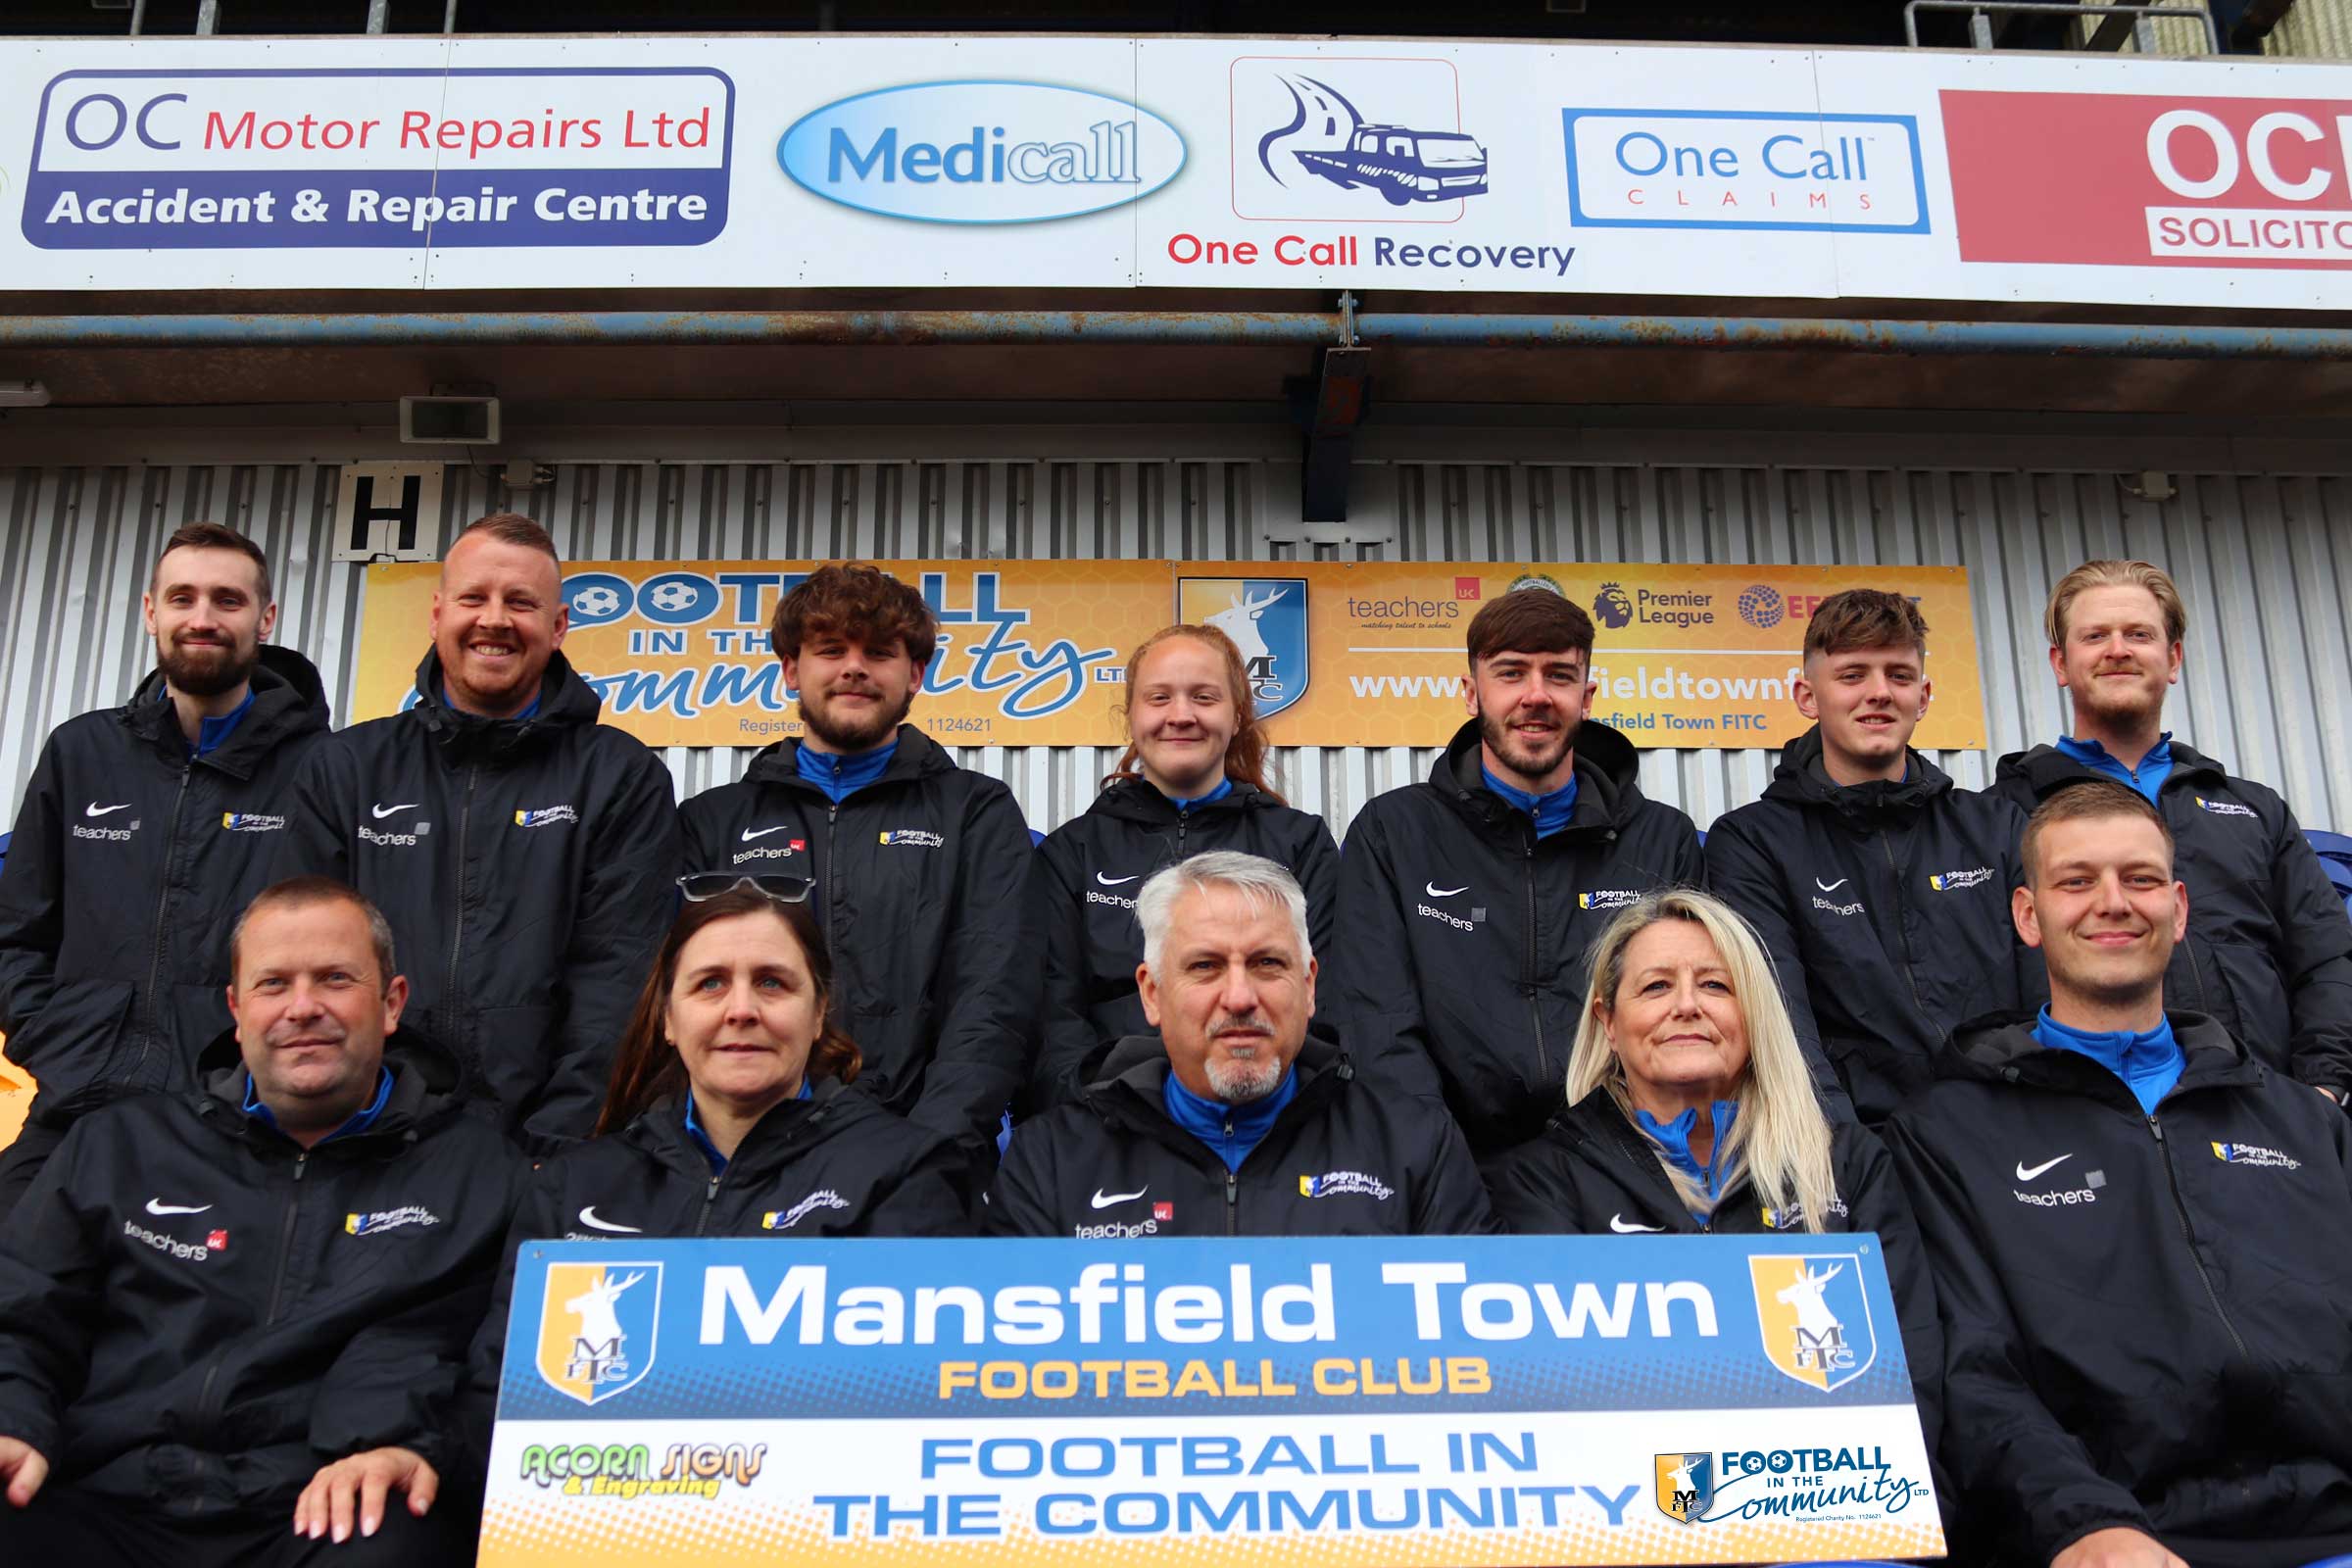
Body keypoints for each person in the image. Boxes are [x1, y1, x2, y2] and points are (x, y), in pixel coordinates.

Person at [1886, 782, 2352, 1568]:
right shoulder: (1945, 1136)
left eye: (2138, 880)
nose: (2113, 903)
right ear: (2028, 917)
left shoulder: (2305, 1123)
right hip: (2114, 1541)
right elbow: (1972, 1375)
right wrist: (2084, 1524)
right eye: (2077, 881)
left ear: (2179, 907)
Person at [0, 877, 519, 1561]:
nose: (303, 1008)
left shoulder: (482, 1173)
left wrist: (423, 1450)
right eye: (274, 984)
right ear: (236, 1008)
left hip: (319, 1510)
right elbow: (23, 1313)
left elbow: (501, 1368)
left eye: (335, 979)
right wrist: (13, 1422)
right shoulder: (117, 1146)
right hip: (104, 1495)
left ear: (392, 1003)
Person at [1480, 888, 1943, 1450]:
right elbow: (1561, 1403)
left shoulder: (1846, 1166)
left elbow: (1914, 1379)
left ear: (1752, 1011)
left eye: (1715, 985)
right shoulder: (1542, 1184)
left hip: (1841, 1512)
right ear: (1608, 1021)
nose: (1686, 1006)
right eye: (1655, 987)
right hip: (1646, 1516)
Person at [277, 513, 682, 1152]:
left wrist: (560, 1147)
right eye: (475, 598)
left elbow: (619, 989)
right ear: (438, 615)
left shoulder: (620, 778)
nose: (494, 619)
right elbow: (305, 969)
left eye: (520, 602)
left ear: (557, 628)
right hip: (367, 1145)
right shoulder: (345, 770)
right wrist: (346, 1128)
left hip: (548, 1154)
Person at [0, 522, 330, 1212]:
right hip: (76, 1102)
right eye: (182, 598)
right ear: (151, 610)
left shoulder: (321, 770)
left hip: (237, 1120)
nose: (202, 619)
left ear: (264, 619)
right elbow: (17, 928)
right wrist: (52, 1036)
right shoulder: (80, 752)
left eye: (227, 601)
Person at [680, 564, 1035, 1183]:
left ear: (915, 675)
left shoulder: (976, 812)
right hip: (745, 1161)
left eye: (879, 652)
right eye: (830, 650)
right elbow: (680, 1000)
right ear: (792, 669)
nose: (854, 667)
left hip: (926, 1162)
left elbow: (994, 998)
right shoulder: (709, 824)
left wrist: (927, 1150)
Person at [1330, 586, 1707, 1153]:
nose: (1536, 696)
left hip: (1624, 1160)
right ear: (1471, 692)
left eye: (1558, 675)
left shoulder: (1663, 840)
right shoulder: (1393, 832)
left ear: (1588, 696)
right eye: (1511, 673)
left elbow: (1682, 1024)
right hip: (1447, 1161)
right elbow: (1376, 1024)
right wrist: (1436, 1161)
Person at [984, 852, 1498, 1237]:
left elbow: (1484, 1359)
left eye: (1267, 964)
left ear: (1310, 985)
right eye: (1204, 966)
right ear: (1152, 993)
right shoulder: (1051, 1163)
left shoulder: (1414, 1145)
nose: (1239, 997)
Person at [1990, 559, 2352, 1103]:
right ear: (2061, 664)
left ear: (2173, 658)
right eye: (2095, 636)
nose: (2118, 649)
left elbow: (2327, 960)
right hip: (2080, 1125)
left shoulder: (2255, 811)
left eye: (2139, 634)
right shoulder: (2003, 813)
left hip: (2265, 1118)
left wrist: (2323, 1089)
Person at [1705, 589, 2039, 1124]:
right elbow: (1780, 1019)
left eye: (1899, 675)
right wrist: (1847, 1150)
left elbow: (2050, 997)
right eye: (1853, 674)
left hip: (2012, 1125)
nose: (1879, 692)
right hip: (1862, 1140)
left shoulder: (1997, 829)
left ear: (1924, 695)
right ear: (1807, 696)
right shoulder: (1753, 843)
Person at [1027, 623, 1341, 1112]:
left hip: (1266, 1121)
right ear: (1130, 716)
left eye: (1203, 697)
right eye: (1159, 698)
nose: (1181, 715)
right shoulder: (1073, 853)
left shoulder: (1301, 845)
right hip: (1106, 1122)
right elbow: (1052, 1015)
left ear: (1236, 717)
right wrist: (1099, 1108)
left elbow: (1328, 1001)